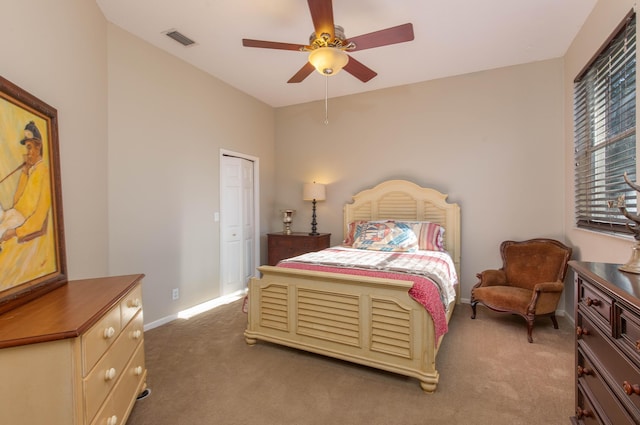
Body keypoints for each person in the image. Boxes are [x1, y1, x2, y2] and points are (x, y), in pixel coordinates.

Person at [0, 121, 51, 245]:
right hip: (13, 214)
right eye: (27, 148)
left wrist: (15, 232)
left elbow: (39, 217)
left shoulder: (45, 173)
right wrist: (25, 172)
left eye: (29, 147)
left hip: (20, 221)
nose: (27, 153)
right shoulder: (31, 170)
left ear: (38, 147)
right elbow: (17, 202)